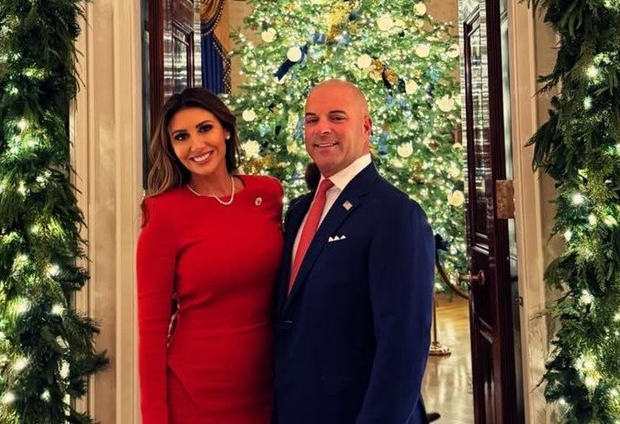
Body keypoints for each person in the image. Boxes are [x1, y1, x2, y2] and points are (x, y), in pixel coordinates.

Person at [273, 79, 435, 423]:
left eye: (336, 117)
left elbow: (403, 350)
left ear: (366, 127)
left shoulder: (396, 215)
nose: (322, 129)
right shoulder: (299, 211)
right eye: (312, 120)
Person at [136, 87, 283, 423]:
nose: (197, 145)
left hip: (269, 387)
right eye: (181, 137)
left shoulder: (268, 193)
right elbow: (151, 330)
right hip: (195, 396)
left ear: (226, 130)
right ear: (172, 149)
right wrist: (154, 417)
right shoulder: (163, 214)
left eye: (205, 128)